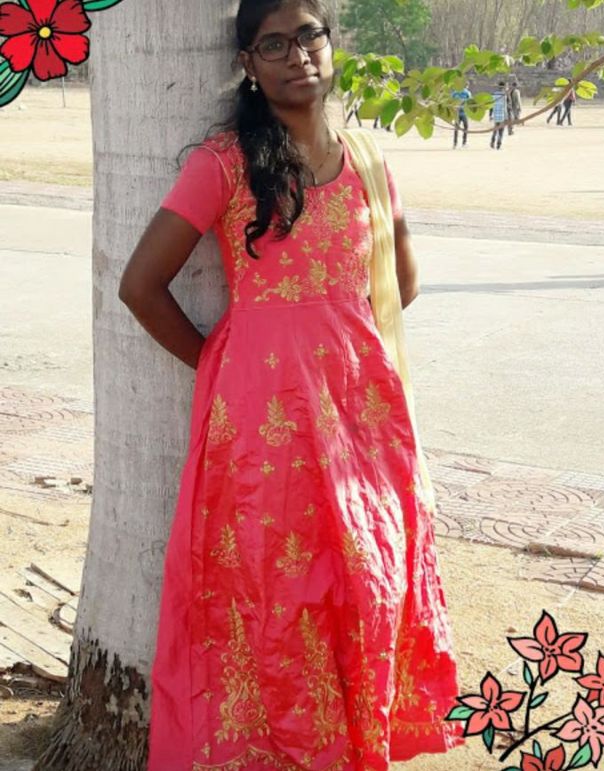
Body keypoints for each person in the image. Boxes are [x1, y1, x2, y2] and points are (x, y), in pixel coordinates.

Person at [119, 1, 463, 768]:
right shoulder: (223, 165)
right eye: (272, 44)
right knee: (277, 588)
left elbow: (401, 284)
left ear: (330, 45)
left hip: (360, 413)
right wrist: (227, 365)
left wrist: (333, 337)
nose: (296, 54)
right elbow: (140, 285)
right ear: (248, 64)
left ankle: (350, 740)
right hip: (261, 424)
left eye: (308, 35)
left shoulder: (367, 160)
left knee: (365, 573)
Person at [451, 82, 472, 148]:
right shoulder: (467, 92)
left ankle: (455, 143)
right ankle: (464, 143)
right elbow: (471, 101)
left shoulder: (455, 92)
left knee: (456, 128)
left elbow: (451, 100)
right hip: (464, 113)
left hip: (456, 113)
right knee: (466, 127)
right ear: (466, 86)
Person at [490, 80, 507, 149]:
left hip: (495, 114)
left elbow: (491, 106)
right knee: (501, 131)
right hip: (502, 115)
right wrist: (506, 116)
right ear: (504, 87)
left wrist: (490, 115)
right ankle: (498, 145)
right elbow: (505, 106)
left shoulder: (493, 95)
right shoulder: (504, 95)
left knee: (495, 129)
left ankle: (492, 141)